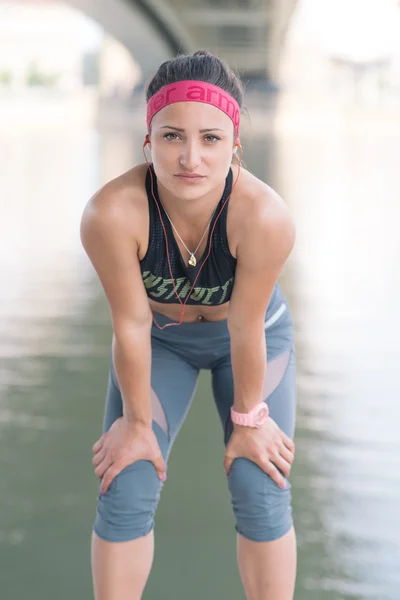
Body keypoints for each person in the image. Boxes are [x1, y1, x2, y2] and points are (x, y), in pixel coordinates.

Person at [80, 50, 297, 600]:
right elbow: (130, 324)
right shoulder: (112, 213)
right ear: (148, 140)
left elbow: (246, 328)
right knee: (124, 481)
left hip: (251, 336)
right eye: (172, 137)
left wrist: (250, 423)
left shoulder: (265, 217)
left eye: (211, 139)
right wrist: (133, 425)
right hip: (159, 339)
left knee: (260, 478)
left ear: (235, 145)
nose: (191, 158)